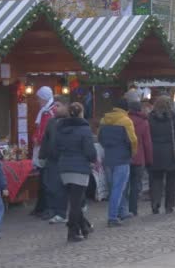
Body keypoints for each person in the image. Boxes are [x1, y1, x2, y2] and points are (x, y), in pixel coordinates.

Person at [56, 103, 98, 242]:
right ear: (81, 113)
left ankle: (84, 226)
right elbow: (89, 151)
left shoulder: (60, 128)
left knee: (75, 200)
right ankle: (72, 231)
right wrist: (93, 159)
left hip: (64, 167)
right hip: (79, 168)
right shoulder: (84, 129)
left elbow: (56, 146)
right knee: (76, 204)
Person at [98, 99, 137, 227]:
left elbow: (100, 138)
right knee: (119, 188)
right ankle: (113, 217)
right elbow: (133, 140)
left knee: (114, 188)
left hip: (108, 158)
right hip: (122, 158)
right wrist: (132, 153)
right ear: (126, 109)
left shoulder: (104, 120)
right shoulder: (126, 121)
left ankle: (123, 211)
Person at [38, 95, 70, 224]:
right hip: (51, 159)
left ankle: (61, 212)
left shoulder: (70, 121)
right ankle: (52, 210)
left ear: (66, 106)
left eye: (58, 105)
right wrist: (42, 156)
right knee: (50, 185)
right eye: (54, 105)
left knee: (60, 188)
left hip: (64, 159)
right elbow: (46, 140)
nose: (55, 108)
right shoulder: (51, 122)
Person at [148, 96, 175, 214]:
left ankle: (155, 202)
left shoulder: (150, 117)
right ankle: (169, 205)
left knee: (156, 179)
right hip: (171, 151)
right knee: (171, 181)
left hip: (155, 151)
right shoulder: (173, 116)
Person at [30, 86, 57, 219]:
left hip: (47, 150)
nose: (38, 101)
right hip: (42, 148)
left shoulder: (50, 112)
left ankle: (49, 208)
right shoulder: (45, 111)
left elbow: (47, 131)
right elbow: (40, 129)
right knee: (42, 179)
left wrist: (38, 139)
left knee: (47, 180)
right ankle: (41, 207)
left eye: (39, 98)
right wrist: (35, 137)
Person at [127, 98, 153, 216]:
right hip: (139, 156)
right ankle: (133, 209)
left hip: (126, 156)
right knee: (135, 184)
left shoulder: (125, 120)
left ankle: (123, 208)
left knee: (124, 184)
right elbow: (147, 142)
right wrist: (149, 159)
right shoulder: (144, 122)